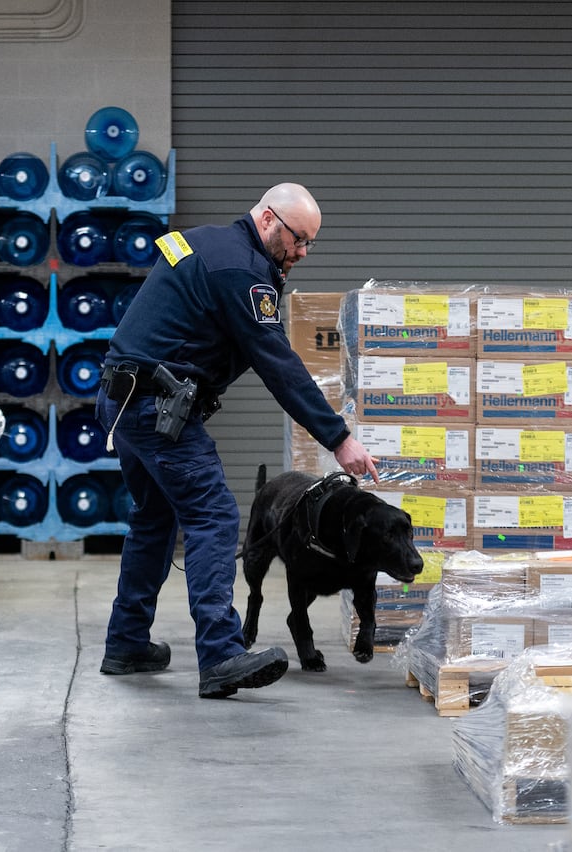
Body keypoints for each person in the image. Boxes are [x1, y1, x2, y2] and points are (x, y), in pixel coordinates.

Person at [95, 183, 379, 699]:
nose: (303, 252)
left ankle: (127, 642)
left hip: (124, 399)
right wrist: (339, 439)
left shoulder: (204, 242)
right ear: (268, 219)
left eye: (310, 243)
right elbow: (277, 363)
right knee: (214, 516)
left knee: (154, 519)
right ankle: (221, 654)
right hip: (156, 408)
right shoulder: (241, 270)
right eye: (297, 239)